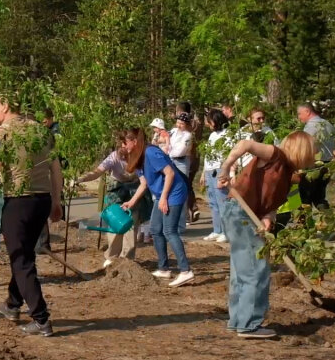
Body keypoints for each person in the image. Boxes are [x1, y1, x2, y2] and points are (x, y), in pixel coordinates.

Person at [0, 95, 64, 336]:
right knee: (23, 254)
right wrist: (56, 201)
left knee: (21, 260)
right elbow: (55, 168)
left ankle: (41, 318)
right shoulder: (41, 130)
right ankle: (12, 305)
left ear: (5, 107)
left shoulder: (3, 134)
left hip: (18, 202)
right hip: (41, 201)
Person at [216, 132, 316, 338]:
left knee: (242, 269)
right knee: (256, 270)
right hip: (240, 212)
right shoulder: (275, 155)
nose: (313, 157)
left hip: (244, 215)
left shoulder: (289, 174)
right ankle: (249, 324)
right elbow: (244, 144)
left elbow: (272, 204)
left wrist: (268, 217)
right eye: (311, 152)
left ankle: (238, 320)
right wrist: (226, 168)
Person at [122, 127, 194, 287]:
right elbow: (144, 183)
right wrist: (131, 202)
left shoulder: (150, 153)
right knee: (155, 229)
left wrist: (163, 199)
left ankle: (185, 271)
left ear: (134, 141)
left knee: (169, 231)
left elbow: (170, 173)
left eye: (126, 142)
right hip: (163, 195)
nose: (125, 146)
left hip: (174, 192)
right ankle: (164, 268)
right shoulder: (138, 157)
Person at [76, 135, 143, 266]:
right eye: (121, 144)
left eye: (126, 144)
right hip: (117, 191)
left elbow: (145, 179)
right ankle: (111, 257)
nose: (124, 147)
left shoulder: (139, 157)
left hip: (134, 192)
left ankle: (127, 260)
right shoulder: (113, 156)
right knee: (115, 223)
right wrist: (81, 179)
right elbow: (97, 172)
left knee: (131, 224)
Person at [297, 102, 335, 210]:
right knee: (319, 198)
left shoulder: (310, 127)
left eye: (300, 114)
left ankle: (304, 225)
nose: (299, 117)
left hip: (313, 166)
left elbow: (306, 149)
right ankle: (329, 221)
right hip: (327, 165)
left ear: (307, 111)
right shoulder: (328, 124)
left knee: (304, 199)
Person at [202, 108, 232, 243]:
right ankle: (217, 229)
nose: (208, 124)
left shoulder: (227, 134)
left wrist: (225, 174)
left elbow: (228, 156)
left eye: (210, 121)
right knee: (213, 203)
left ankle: (227, 232)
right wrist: (203, 173)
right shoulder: (212, 135)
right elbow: (208, 155)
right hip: (209, 171)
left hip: (219, 170)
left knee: (223, 202)